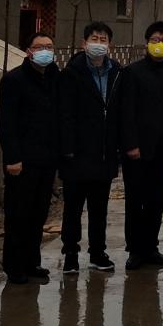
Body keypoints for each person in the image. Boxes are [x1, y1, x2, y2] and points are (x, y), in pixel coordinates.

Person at [59, 22, 122, 274]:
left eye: (103, 39)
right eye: (94, 39)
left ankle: (97, 252)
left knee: (99, 209)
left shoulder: (117, 72)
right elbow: (64, 114)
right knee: (73, 209)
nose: (99, 44)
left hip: (104, 153)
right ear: (84, 44)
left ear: (110, 45)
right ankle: (70, 254)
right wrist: (67, 148)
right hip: (76, 153)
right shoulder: (71, 73)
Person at [0, 32, 60, 284]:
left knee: (38, 212)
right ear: (29, 51)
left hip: (47, 158)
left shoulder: (55, 78)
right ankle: (14, 266)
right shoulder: (14, 80)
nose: (45, 51)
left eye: (49, 47)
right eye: (40, 46)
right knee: (18, 214)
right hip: (22, 160)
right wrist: (12, 157)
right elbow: (6, 123)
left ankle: (32, 261)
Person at [120, 21, 163, 270]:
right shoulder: (132, 72)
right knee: (136, 200)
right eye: (155, 40)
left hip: (162, 148)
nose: (159, 44)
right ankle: (135, 249)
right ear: (147, 43)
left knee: (156, 200)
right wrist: (131, 144)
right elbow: (126, 111)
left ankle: (151, 247)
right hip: (137, 150)